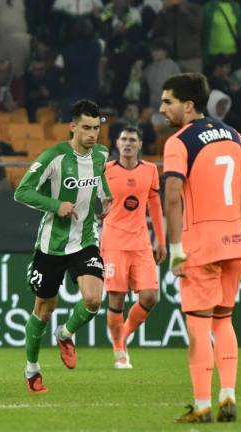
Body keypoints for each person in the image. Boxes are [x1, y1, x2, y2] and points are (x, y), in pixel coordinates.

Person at [160, 73, 241, 422]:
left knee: (199, 326)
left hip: (200, 244)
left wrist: (175, 248)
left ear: (188, 105)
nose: (162, 108)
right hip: (234, 242)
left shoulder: (179, 142)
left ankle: (202, 406)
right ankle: (228, 396)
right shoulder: (231, 134)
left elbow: (171, 198)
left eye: (168, 102)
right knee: (223, 320)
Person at [14, 100, 113, 394]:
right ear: (72, 127)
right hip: (52, 245)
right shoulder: (53, 157)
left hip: (85, 240)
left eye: (96, 128)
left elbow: (99, 177)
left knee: (93, 300)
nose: (92, 134)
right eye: (86, 128)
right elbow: (22, 192)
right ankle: (32, 369)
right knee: (44, 310)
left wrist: (105, 197)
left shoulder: (101, 154)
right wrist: (56, 205)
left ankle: (66, 333)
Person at [101, 126, 166, 369]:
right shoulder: (105, 170)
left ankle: (124, 333)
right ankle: (119, 352)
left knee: (150, 296)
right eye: (124, 139)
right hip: (114, 242)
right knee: (116, 300)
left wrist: (161, 240)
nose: (127, 143)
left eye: (132, 140)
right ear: (117, 144)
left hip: (141, 242)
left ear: (140, 144)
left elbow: (155, 205)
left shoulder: (150, 170)